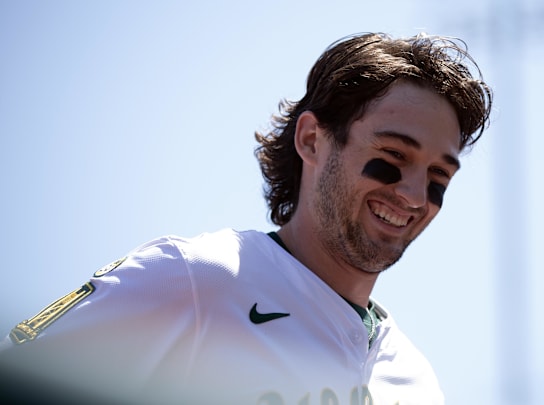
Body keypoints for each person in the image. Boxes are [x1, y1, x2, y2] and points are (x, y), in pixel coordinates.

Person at [0, 32, 492, 404]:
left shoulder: (415, 379)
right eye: (394, 155)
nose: (412, 195)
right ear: (311, 140)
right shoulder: (192, 278)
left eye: (438, 177)